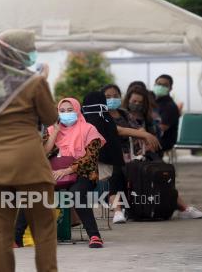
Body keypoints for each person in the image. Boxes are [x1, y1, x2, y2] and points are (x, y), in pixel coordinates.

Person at [0, 29, 58, 272]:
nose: (33, 53)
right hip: (29, 165)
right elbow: (50, 117)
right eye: (30, 49)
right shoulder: (34, 82)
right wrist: (44, 80)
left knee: (0, 232)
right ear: (16, 54)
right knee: (43, 227)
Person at [103, 85, 202, 219]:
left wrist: (144, 137)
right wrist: (144, 135)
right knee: (117, 174)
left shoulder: (125, 114)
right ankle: (118, 211)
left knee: (158, 172)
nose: (112, 99)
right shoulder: (102, 116)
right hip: (113, 156)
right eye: (108, 96)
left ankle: (184, 209)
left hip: (135, 155)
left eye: (115, 96)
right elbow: (118, 130)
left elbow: (140, 129)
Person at [44, 98, 106, 248]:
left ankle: (94, 236)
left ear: (77, 110)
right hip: (57, 174)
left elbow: (90, 157)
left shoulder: (89, 129)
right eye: (62, 111)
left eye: (70, 110)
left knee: (75, 193)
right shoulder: (52, 130)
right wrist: (55, 133)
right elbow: (42, 154)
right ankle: (17, 237)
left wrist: (67, 170)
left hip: (84, 174)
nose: (66, 114)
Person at [82, 92, 127, 224]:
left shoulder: (107, 121)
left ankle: (118, 209)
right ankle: (118, 209)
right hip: (85, 166)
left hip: (106, 166)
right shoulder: (86, 123)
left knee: (115, 174)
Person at [153, 74, 180, 154]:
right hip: (154, 137)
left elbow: (162, 127)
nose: (161, 87)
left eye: (165, 85)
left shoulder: (169, 106)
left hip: (164, 141)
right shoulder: (153, 102)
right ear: (154, 85)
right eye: (159, 84)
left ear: (170, 88)